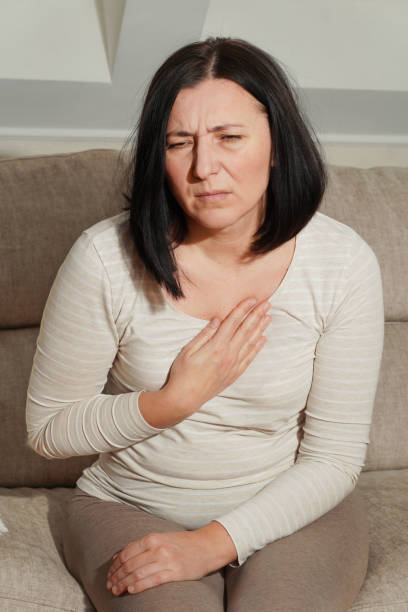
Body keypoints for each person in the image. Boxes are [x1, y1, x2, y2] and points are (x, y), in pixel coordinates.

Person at [26, 36, 384, 611]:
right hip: (129, 504)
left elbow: (333, 459)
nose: (203, 168)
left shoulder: (342, 263)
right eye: (179, 142)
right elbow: (48, 429)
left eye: (229, 138)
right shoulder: (103, 258)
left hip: (291, 508)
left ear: (275, 145)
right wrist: (169, 403)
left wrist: (211, 545)